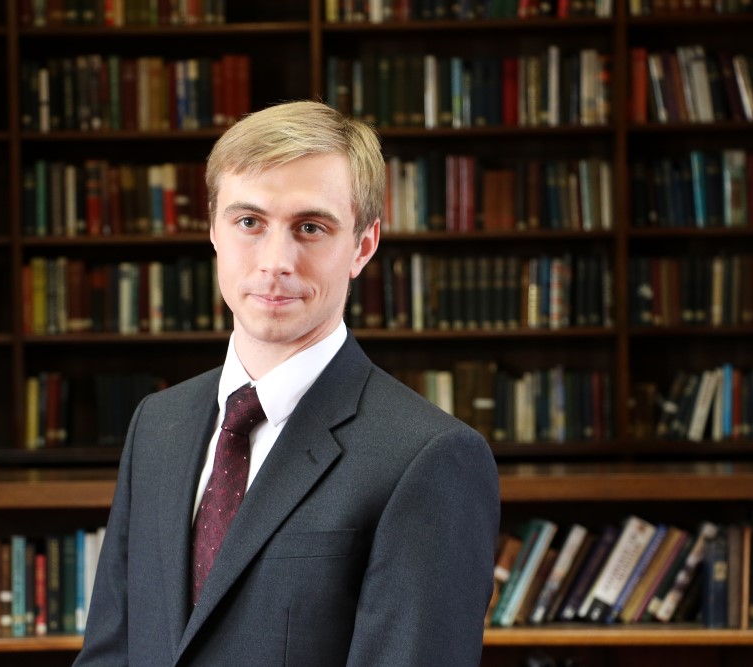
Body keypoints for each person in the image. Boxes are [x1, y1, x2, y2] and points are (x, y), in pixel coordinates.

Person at [73, 100, 500, 667]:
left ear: (363, 246)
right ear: (214, 231)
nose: (276, 261)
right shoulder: (158, 422)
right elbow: (110, 653)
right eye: (249, 221)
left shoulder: (430, 458)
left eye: (310, 227)